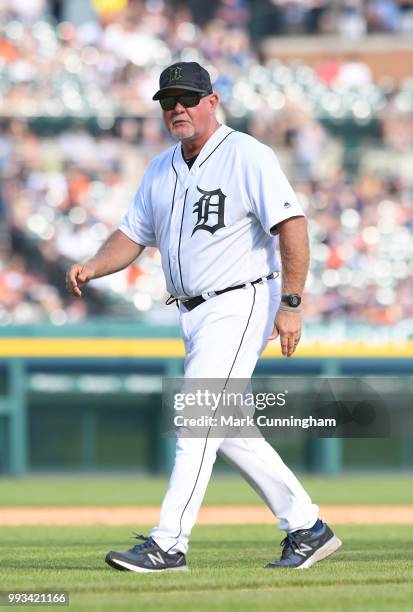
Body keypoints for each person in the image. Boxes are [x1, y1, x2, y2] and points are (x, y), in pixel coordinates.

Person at [66, 61, 342, 572]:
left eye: (188, 99)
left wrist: (292, 302)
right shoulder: (160, 167)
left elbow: (292, 224)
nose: (178, 109)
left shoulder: (245, 154)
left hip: (240, 300)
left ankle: (169, 542)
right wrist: (93, 266)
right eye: (169, 101)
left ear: (212, 102)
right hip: (192, 311)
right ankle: (307, 526)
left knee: (197, 417)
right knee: (226, 426)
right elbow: (132, 236)